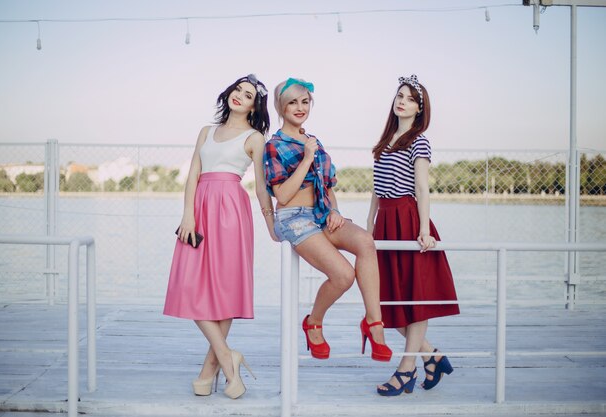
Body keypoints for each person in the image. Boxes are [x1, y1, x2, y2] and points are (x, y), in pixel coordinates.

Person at [163, 74, 277, 399]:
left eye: (249, 94)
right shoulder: (206, 131)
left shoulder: (255, 138)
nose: (240, 96)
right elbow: (193, 175)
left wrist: (270, 224)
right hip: (199, 209)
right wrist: (188, 214)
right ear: (229, 93)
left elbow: (260, 186)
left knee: (225, 290)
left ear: (256, 106)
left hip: (231, 212)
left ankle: (209, 370)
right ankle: (229, 358)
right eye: (238, 89)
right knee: (188, 286)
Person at [264, 77, 392, 362]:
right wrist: (307, 159)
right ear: (281, 107)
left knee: (365, 242)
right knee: (344, 275)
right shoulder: (274, 145)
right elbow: (282, 195)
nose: (300, 108)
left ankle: (374, 324)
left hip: (323, 214)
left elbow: (328, 187)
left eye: (305, 102)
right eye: (293, 102)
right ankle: (313, 322)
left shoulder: (314, 141)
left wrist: (335, 210)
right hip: (293, 218)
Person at [367, 75, 460, 396]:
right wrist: (368, 230)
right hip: (385, 221)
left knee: (415, 299)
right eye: (399, 95)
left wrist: (423, 229)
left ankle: (406, 370)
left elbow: (421, 187)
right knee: (390, 301)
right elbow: (376, 193)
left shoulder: (419, 140)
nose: (401, 101)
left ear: (420, 109)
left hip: (408, 219)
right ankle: (432, 356)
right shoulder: (384, 141)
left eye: (409, 98)